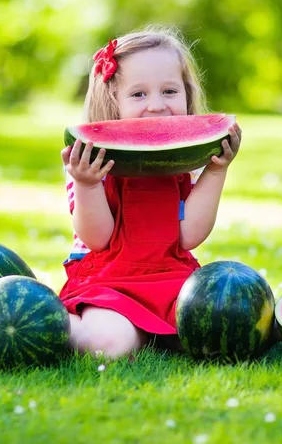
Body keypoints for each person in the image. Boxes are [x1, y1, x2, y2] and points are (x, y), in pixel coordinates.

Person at [60, 27, 242, 358]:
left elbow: (188, 236)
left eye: (170, 91)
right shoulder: (89, 164)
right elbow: (98, 238)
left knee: (220, 331)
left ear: (187, 94)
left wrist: (216, 170)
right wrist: (87, 183)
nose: (157, 106)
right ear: (111, 102)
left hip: (171, 281)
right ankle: (53, 319)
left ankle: (147, 333)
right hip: (110, 284)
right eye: (139, 95)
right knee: (110, 346)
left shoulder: (186, 162)